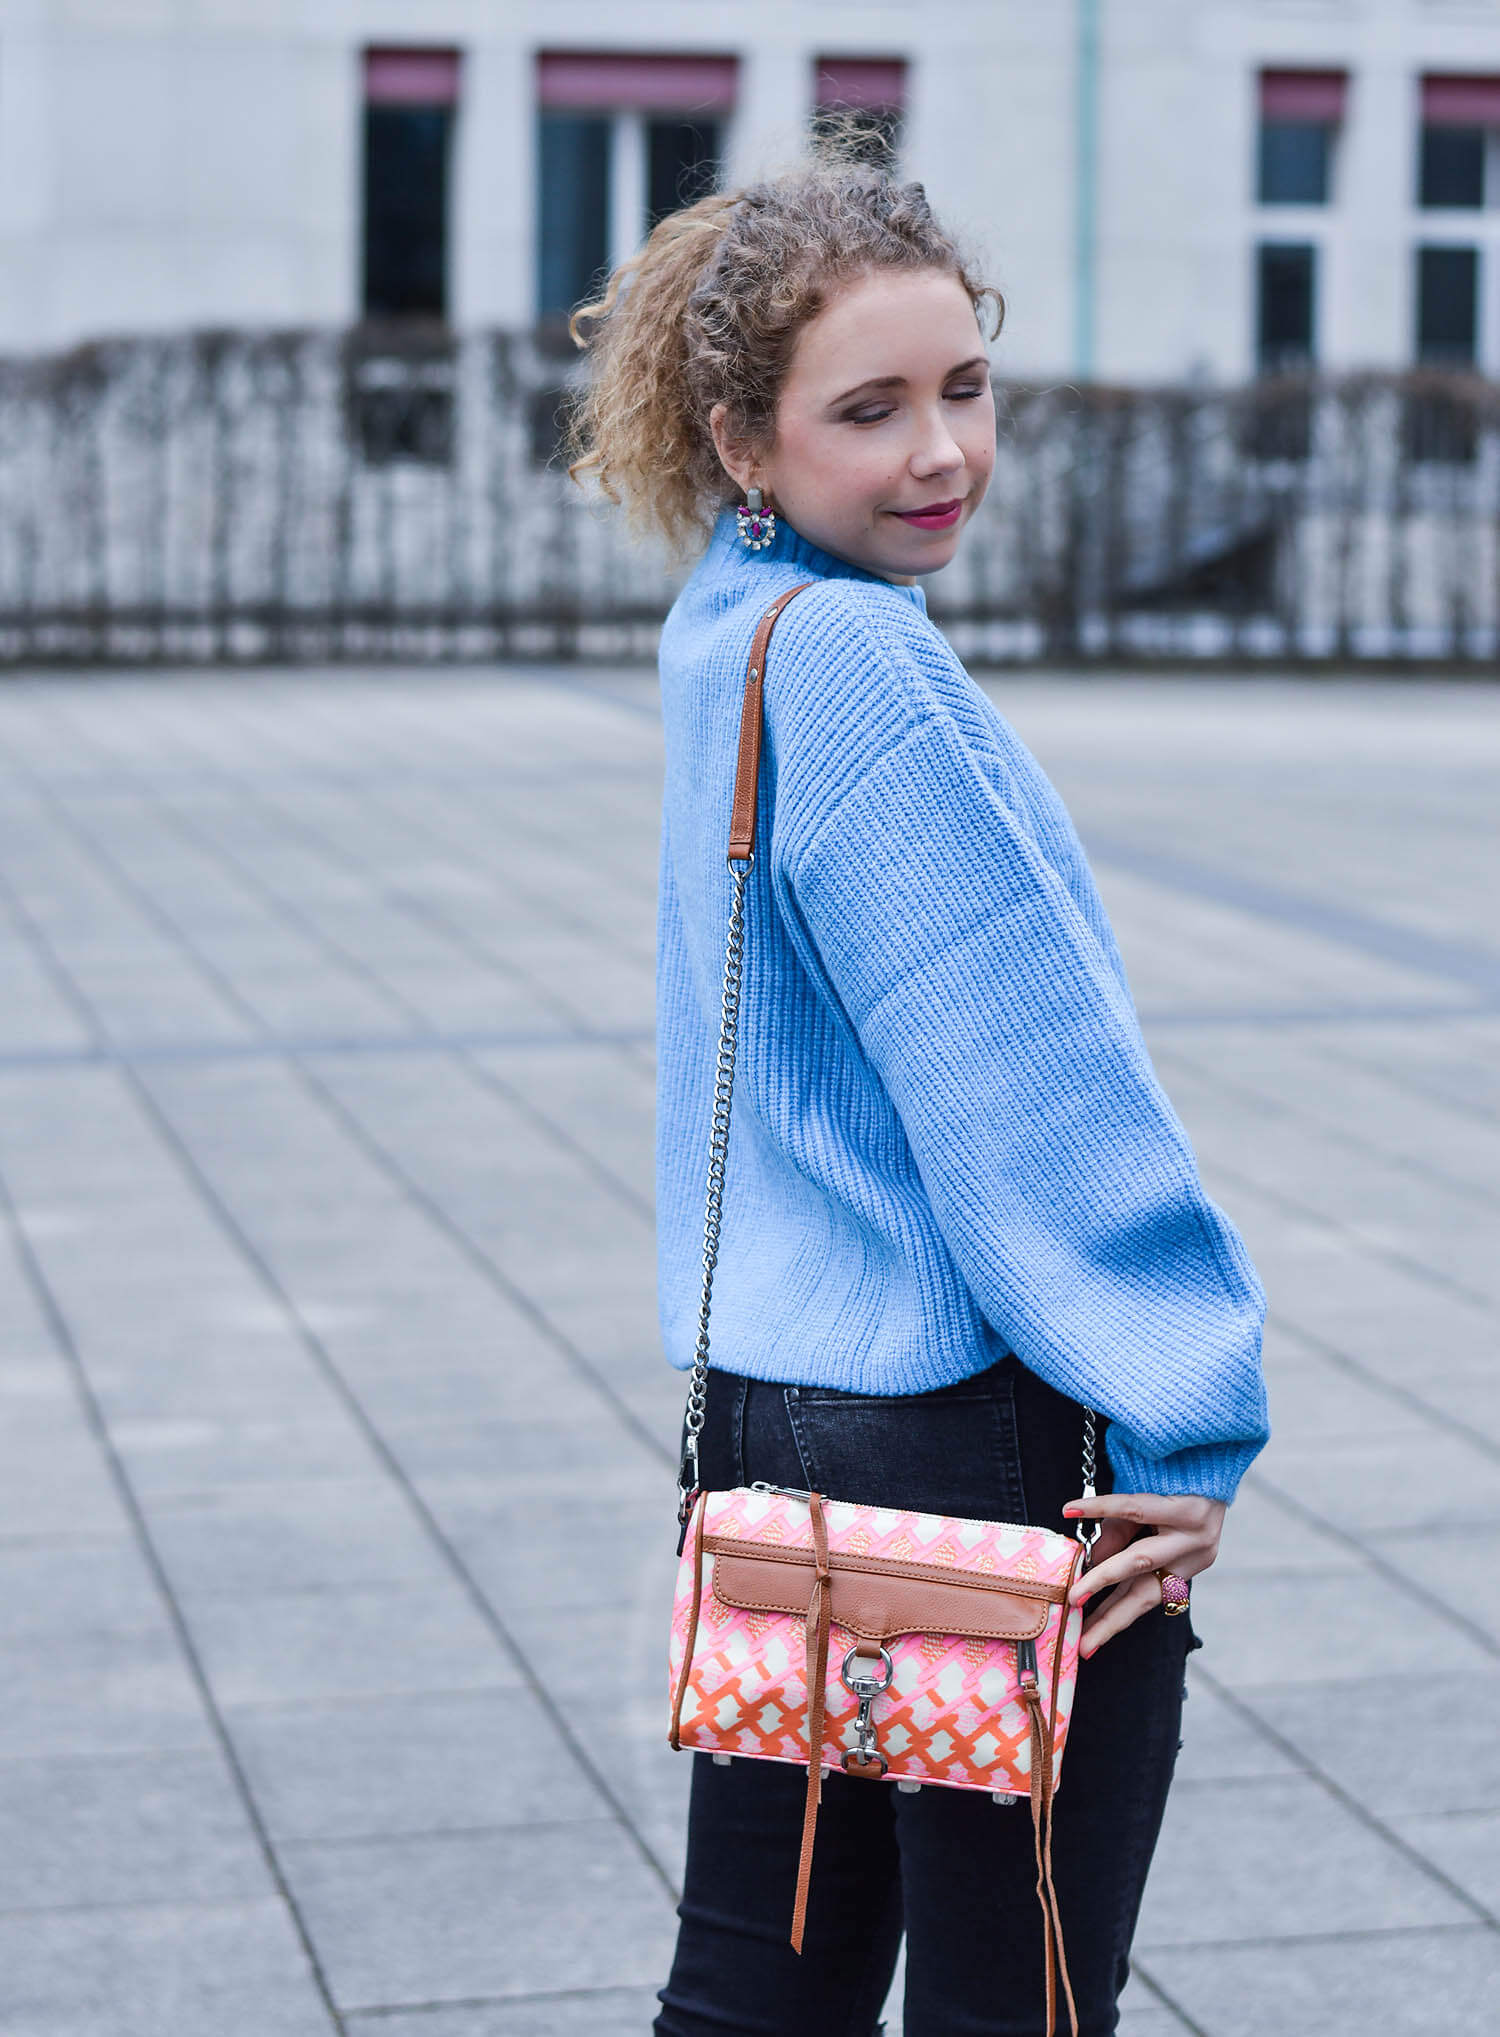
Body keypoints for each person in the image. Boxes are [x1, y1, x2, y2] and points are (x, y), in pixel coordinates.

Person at [568, 148, 1269, 2037]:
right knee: (1013, 2002)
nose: (940, 451)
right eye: (868, 410)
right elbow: (1025, 1082)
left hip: (779, 1418)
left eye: (964, 388)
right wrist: (1190, 1416)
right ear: (740, 437)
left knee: (759, 1991)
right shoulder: (866, 668)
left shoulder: (734, 632)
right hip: (973, 1447)